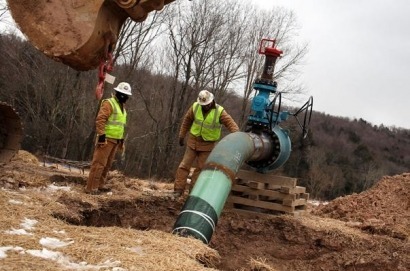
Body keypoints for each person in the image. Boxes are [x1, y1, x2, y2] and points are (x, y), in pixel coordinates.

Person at [173, 90, 239, 197]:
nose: (205, 106)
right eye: (203, 105)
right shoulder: (195, 107)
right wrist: (182, 135)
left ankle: (193, 193)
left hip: (207, 146)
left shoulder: (220, 111)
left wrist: (237, 137)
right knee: (184, 166)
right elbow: (187, 121)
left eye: (207, 104)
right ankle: (178, 191)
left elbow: (231, 124)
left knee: (200, 170)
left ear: (211, 101)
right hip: (193, 141)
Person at [85, 82, 132, 194]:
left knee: (107, 164)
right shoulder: (109, 103)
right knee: (99, 164)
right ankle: (91, 188)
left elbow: (120, 126)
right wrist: (101, 135)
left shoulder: (122, 107)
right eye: (123, 94)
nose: (125, 97)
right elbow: (100, 120)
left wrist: (121, 140)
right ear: (119, 93)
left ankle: (100, 185)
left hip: (115, 140)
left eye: (127, 95)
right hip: (106, 139)